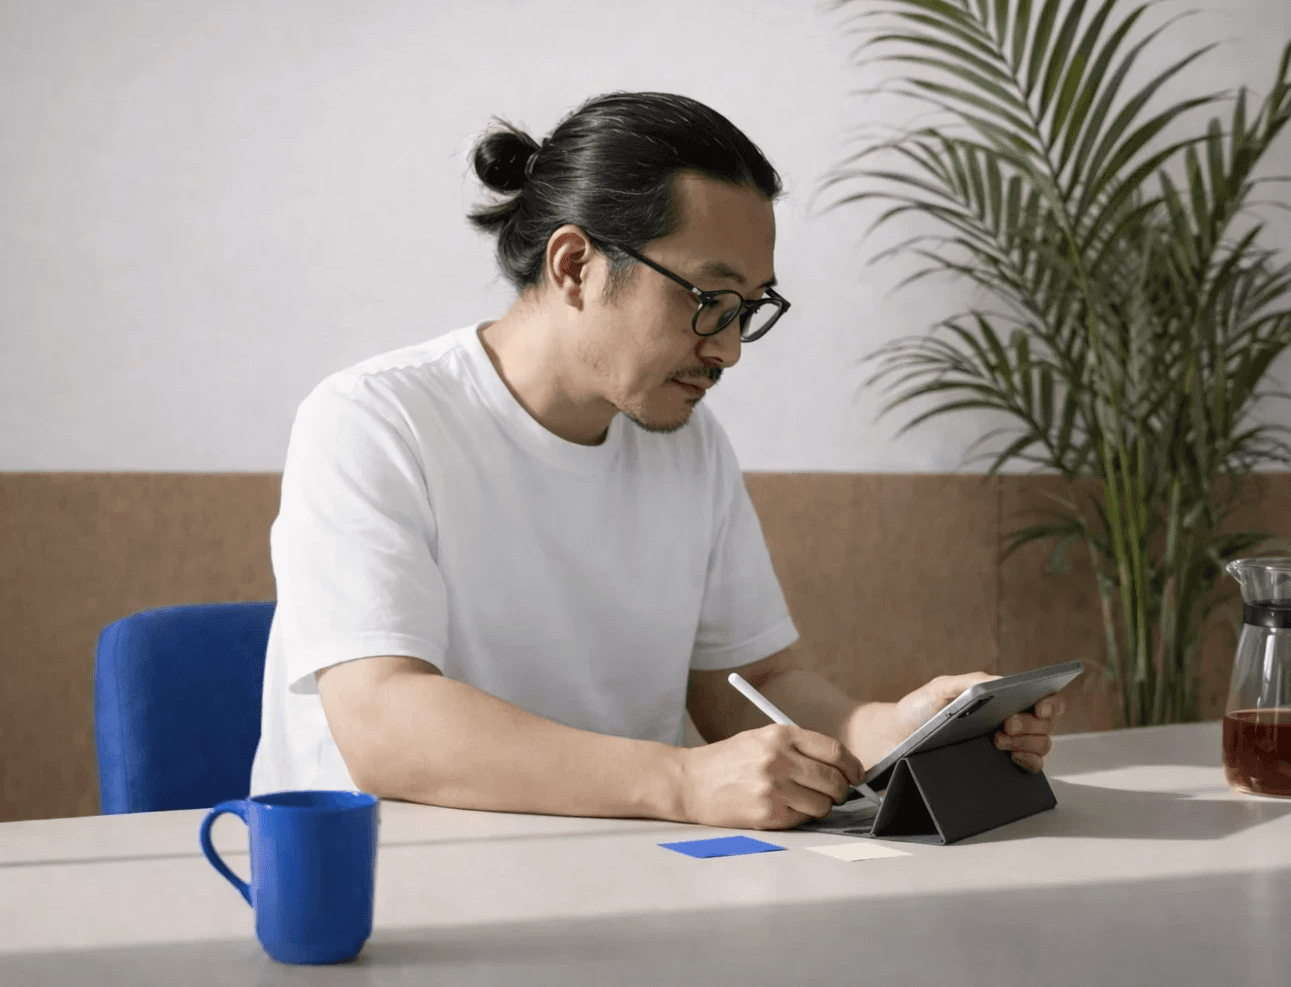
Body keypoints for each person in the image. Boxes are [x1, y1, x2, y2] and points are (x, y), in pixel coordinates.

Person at [249, 91, 1065, 829]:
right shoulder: (375, 419)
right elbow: (383, 724)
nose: (729, 349)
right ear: (574, 266)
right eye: (708, 300)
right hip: (389, 882)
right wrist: (680, 780)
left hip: (625, 871)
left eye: (748, 309)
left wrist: (895, 727)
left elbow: (751, 683)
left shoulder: (687, 443)